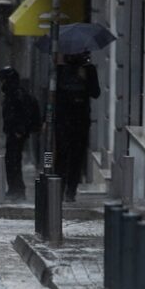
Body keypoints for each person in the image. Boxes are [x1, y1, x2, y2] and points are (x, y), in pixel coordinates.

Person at [55, 51, 100, 202]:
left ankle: (70, 190)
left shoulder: (88, 70)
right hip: (63, 119)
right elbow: (54, 95)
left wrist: (85, 78)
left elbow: (95, 92)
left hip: (80, 120)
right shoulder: (60, 71)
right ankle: (58, 189)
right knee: (60, 155)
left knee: (76, 156)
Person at [0, 66, 40, 201]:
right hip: (12, 132)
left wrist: (19, 131)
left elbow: (23, 113)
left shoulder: (17, 94)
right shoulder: (11, 93)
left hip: (16, 134)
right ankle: (14, 189)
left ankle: (18, 190)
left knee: (14, 161)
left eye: (3, 80)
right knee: (11, 161)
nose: (2, 83)